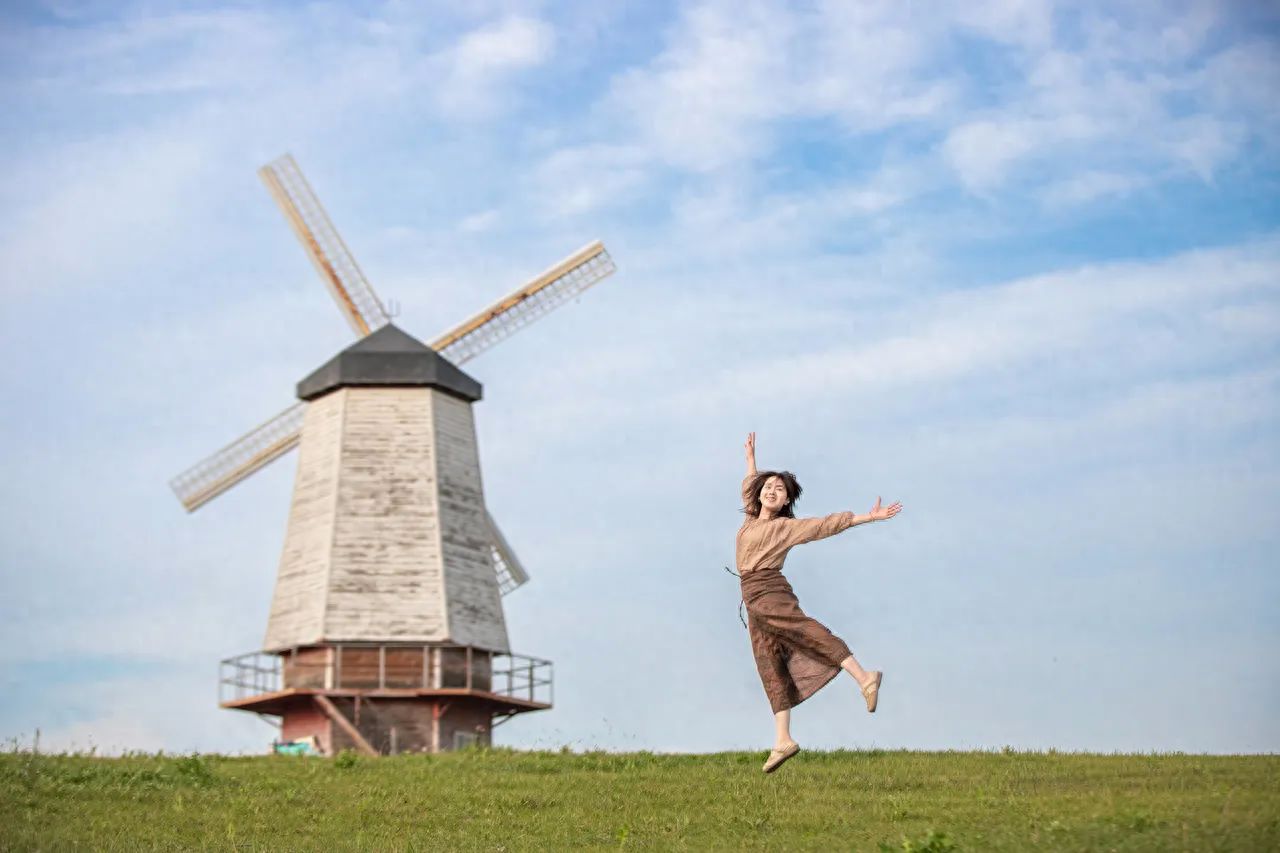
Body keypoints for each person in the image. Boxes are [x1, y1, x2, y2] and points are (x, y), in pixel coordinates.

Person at [736, 431, 902, 773]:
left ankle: (864, 676)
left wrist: (867, 518)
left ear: (785, 502)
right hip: (752, 598)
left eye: (779, 489)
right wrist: (751, 458)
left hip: (769, 590)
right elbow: (749, 484)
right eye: (768, 486)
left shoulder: (786, 527)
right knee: (770, 661)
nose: (772, 490)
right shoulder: (751, 519)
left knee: (804, 630)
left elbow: (824, 526)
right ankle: (783, 740)